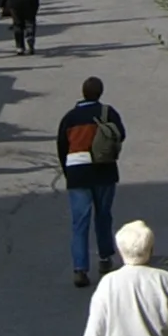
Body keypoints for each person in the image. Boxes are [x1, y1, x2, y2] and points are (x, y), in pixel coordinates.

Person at [56, 72, 125, 287]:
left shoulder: (69, 118)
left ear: (82, 93)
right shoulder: (108, 113)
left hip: (77, 173)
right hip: (104, 170)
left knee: (80, 222)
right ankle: (105, 259)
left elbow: (61, 148)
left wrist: (68, 173)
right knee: (103, 215)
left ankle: (80, 269)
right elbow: (120, 135)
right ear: (100, 93)